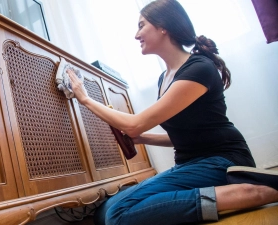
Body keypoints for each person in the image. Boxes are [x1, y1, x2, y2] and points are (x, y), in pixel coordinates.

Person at [66, 0, 278, 224]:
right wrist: (141, 138)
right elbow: (185, 133)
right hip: (189, 163)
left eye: (141, 25)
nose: (136, 35)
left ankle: (255, 192)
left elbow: (134, 123)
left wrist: (85, 99)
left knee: (117, 216)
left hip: (222, 161)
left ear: (163, 26)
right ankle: (224, 194)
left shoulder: (199, 68)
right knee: (104, 211)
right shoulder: (164, 78)